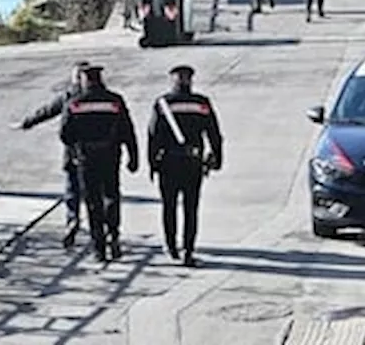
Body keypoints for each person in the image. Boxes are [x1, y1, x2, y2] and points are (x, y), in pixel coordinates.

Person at [59, 65, 139, 262]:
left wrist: (75, 148)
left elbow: (65, 134)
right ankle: (114, 234)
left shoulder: (75, 103)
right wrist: (133, 156)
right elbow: (127, 129)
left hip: (86, 158)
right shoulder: (115, 100)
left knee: (93, 202)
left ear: (85, 80)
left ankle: (99, 247)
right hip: (111, 155)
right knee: (111, 195)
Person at [148, 65, 224, 267]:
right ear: (190, 80)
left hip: (169, 162)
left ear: (173, 80)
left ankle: (171, 246)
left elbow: (153, 136)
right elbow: (214, 133)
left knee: (169, 206)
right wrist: (216, 158)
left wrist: (152, 163)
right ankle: (188, 250)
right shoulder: (201, 103)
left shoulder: (163, 103)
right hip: (193, 162)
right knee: (191, 208)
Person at [13, 61, 90, 248]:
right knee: (96, 191)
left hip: (73, 151)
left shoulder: (68, 97)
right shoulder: (100, 96)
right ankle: (103, 227)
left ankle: (72, 220)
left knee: (72, 190)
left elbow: (47, 111)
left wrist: (26, 123)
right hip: (99, 153)